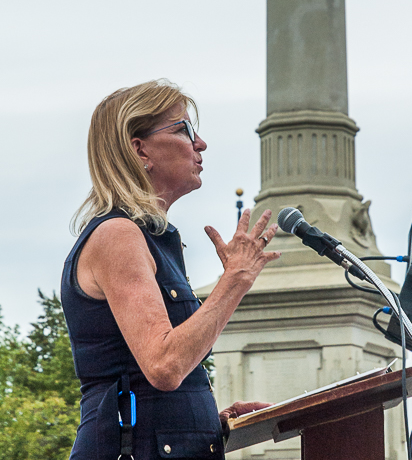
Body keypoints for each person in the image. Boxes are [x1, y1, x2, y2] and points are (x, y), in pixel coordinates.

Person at [61, 79, 281, 460]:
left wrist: (206, 421)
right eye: (183, 129)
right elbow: (164, 365)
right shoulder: (118, 234)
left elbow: (155, 381)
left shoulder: (150, 238)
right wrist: (235, 281)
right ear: (139, 149)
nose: (200, 143)